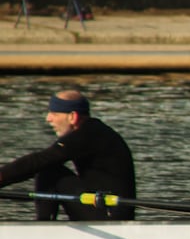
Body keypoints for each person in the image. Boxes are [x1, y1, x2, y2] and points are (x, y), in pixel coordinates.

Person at [0, 90, 137, 220]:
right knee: (48, 167)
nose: (48, 118)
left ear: (73, 117)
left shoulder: (89, 135)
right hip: (101, 206)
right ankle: (43, 225)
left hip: (109, 214)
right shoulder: (92, 130)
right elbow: (38, 163)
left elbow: (41, 160)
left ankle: (43, 226)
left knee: (49, 170)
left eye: (54, 113)